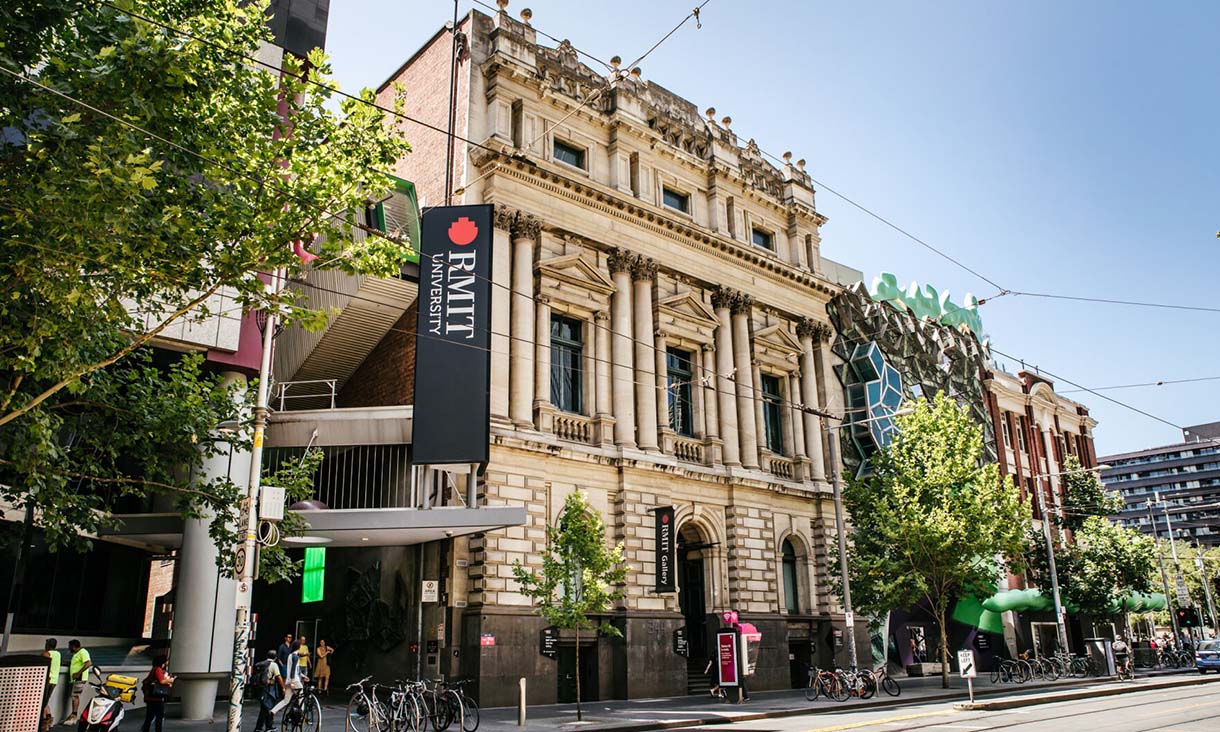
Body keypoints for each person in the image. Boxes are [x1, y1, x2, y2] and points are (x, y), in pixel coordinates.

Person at [272, 640, 308, 717]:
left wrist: (302, 676)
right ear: (299, 647)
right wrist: (292, 681)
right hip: (294, 680)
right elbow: (293, 669)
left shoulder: (290, 655)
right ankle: (302, 713)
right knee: (301, 696)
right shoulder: (296, 657)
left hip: (288, 680)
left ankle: (273, 711)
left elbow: (295, 669)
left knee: (286, 700)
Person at [140, 655, 174, 732]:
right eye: (167, 660)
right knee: (159, 716)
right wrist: (170, 680)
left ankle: (145, 730)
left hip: (150, 697)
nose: (168, 662)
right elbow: (161, 681)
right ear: (163, 662)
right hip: (156, 698)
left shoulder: (154, 669)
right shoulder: (158, 670)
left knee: (149, 716)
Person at [253, 650, 284, 732]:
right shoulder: (274, 665)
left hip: (261, 687)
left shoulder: (262, 664)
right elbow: (279, 677)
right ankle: (266, 727)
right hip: (269, 688)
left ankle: (261, 727)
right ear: (275, 657)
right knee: (268, 707)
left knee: (264, 707)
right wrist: (283, 687)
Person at [63, 639, 91, 725]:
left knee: (75, 697)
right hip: (75, 679)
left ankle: (74, 717)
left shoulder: (83, 652)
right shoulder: (77, 654)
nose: (69, 649)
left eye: (70, 647)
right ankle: (72, 715)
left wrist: (78, 673)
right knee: (74, 696)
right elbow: (76, 664)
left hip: (79, 678)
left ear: (74, 646)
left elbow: (88, 663)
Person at [42, 638, 60, 731]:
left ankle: (44, 723)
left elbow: (44, 665)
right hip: (54, 680)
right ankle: (49, 718)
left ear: (48, 645)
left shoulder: (47, 654)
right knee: (46, 700)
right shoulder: (58, 654)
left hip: (47, 680)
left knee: (43, 702)